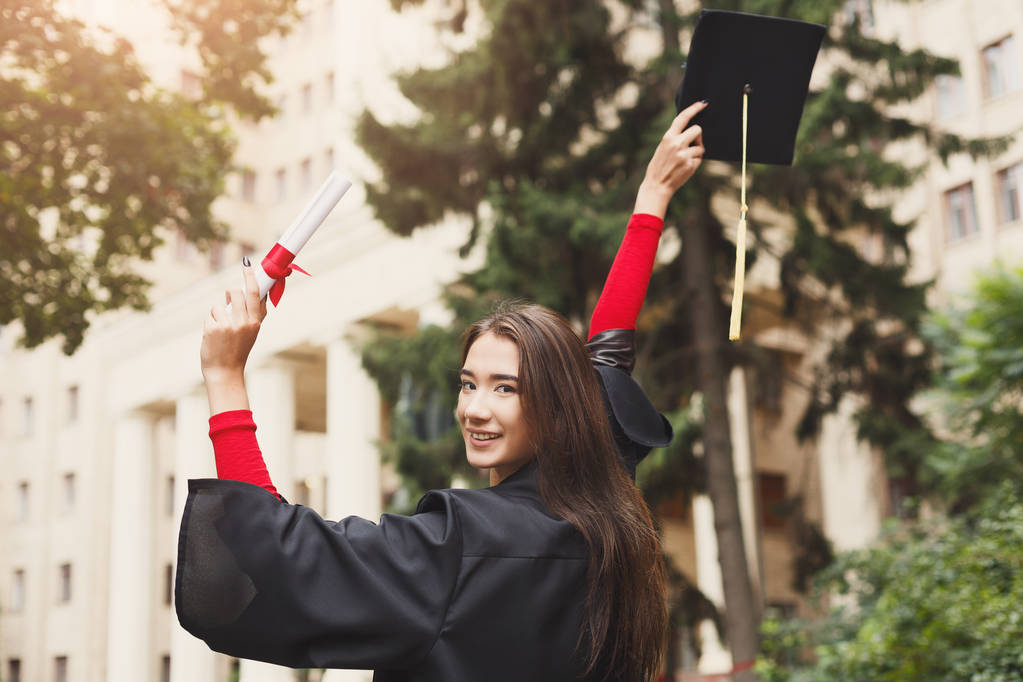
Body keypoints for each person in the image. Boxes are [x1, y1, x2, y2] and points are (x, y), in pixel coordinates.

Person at [176, 101, 706, 682]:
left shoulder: (460, 550)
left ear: (559, 407)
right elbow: (608, 349)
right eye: (468, 383)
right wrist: (653, 198)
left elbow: (275, 560)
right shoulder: (604, 511)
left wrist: (225, 375)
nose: (474, 409)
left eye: (506, 389)